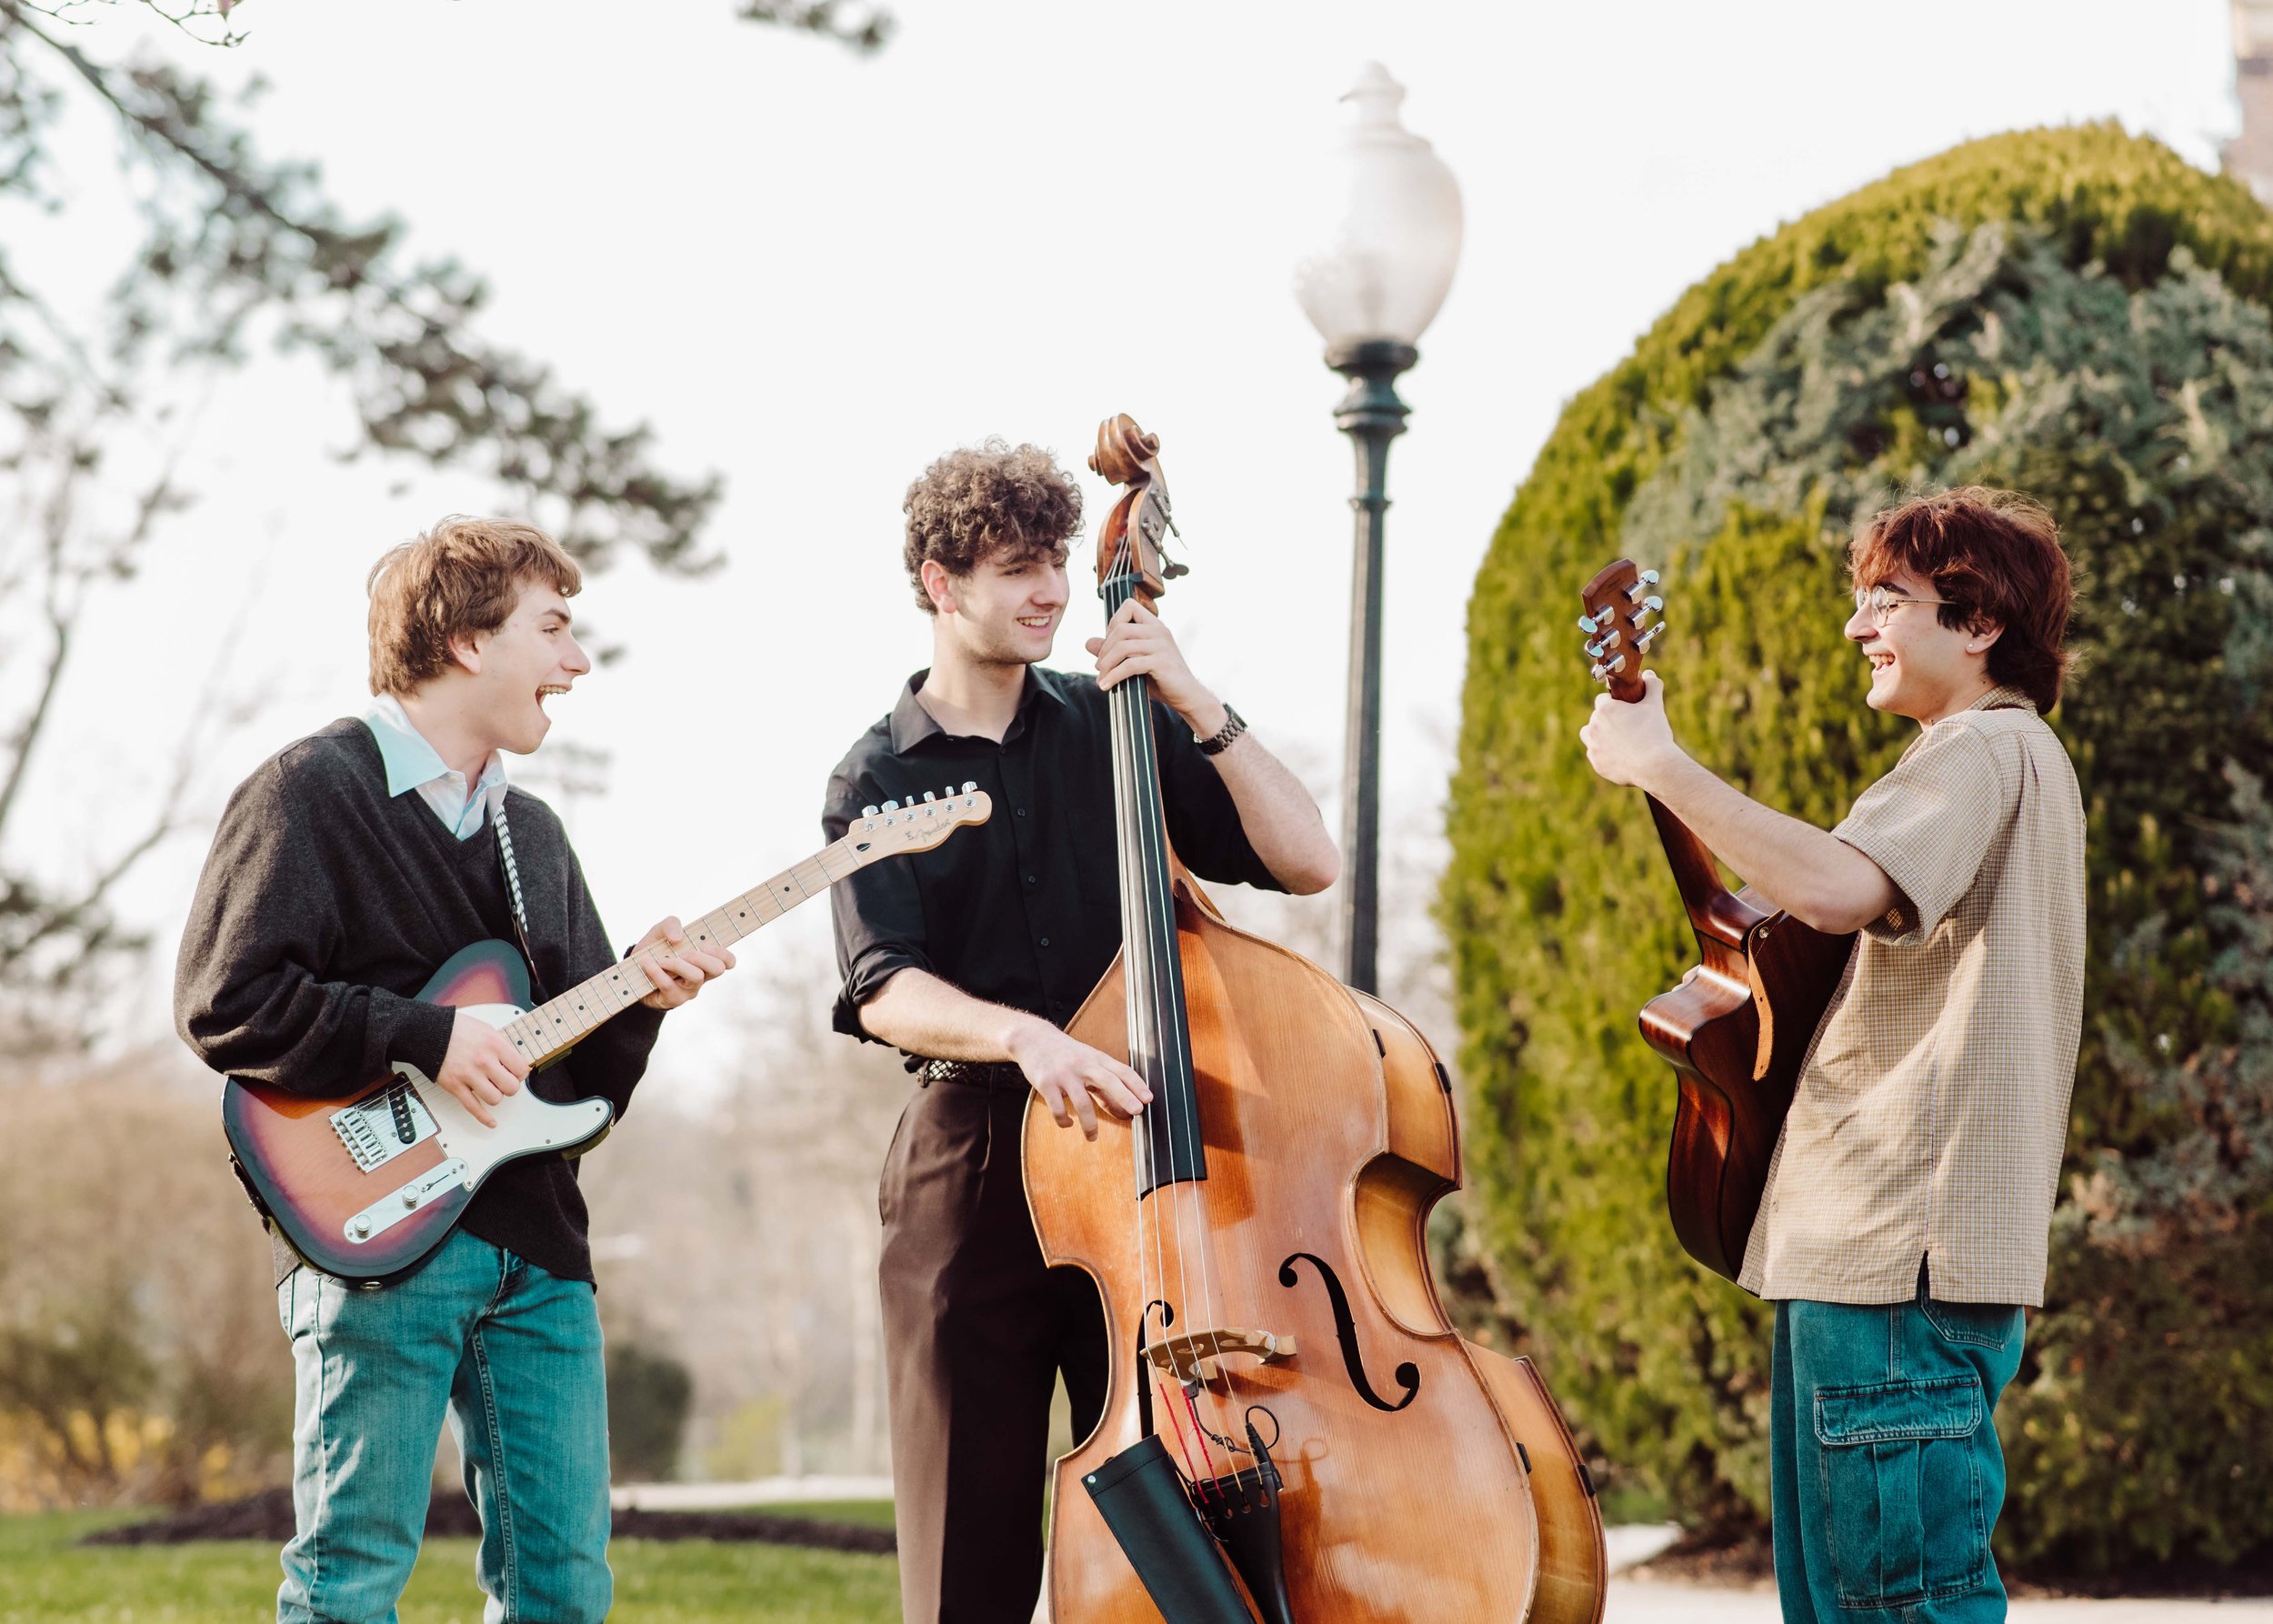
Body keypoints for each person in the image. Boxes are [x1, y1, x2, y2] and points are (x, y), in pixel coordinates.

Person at [175, 516, 733, 1624]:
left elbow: (572, 1096)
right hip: (374, 1243)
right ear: (470, 642)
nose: (576, 662)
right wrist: (427, 1038)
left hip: (538, 1256)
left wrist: (643, 1002)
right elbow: (223, 1001)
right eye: (554, 628)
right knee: (348, 1585)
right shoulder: (305, 794)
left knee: (564, 1592)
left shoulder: (534, 837)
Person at [825, 440, 1339, 1622]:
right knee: (970, 1558)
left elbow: (1306, 860)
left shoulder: (1119, 722)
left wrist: (1195, 698)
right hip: (976, 1167)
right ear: (940, 582)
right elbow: (882, 983)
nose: (1052, 589)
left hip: (1147, 1166)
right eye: (1017, 567)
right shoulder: (873, 777)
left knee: (1186, 1516)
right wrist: (1028, 1038)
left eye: (1058, 559)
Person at [1580, 486, 2085, 1623]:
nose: (1857, 626)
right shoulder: (1990, 764)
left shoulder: (1981, 748)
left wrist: (1662, 765)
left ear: (1978, 624)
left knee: (1896, 1608)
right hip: (1877, 1262)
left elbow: (1838, 886)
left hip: (1893, 1263)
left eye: (1886, 601)